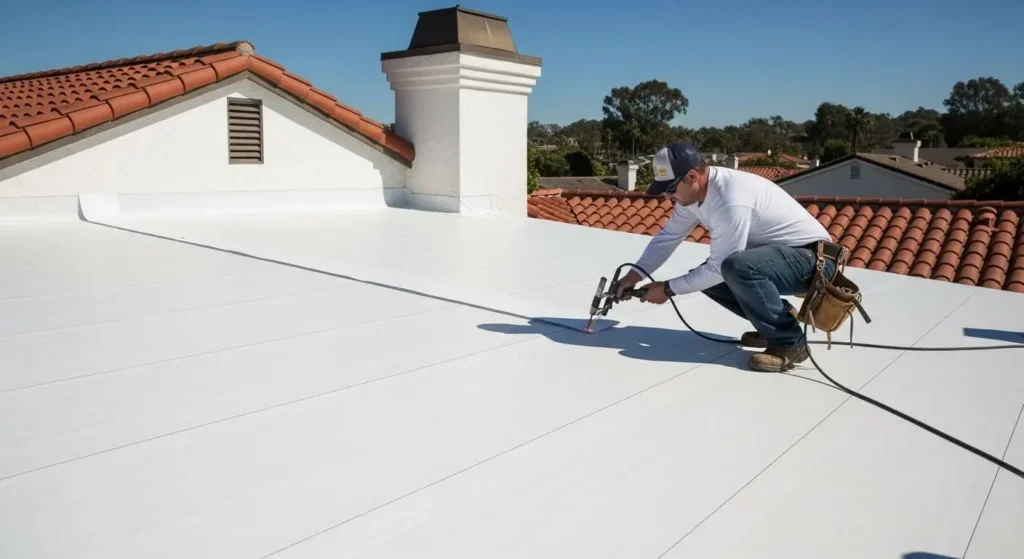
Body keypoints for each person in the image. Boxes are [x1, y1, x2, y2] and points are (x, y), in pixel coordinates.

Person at [615, 143, 846, 372]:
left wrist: (667, 289)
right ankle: (776, 323)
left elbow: (719, 267)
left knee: (735, 267)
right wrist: (633, 277)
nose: (668, 197)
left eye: (671, 189)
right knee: (705, 280)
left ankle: (789, 342)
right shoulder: (691, 197)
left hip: (814, 261)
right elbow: (668, 238)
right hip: (787, 258)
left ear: (692, 176)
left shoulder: (729, 198)